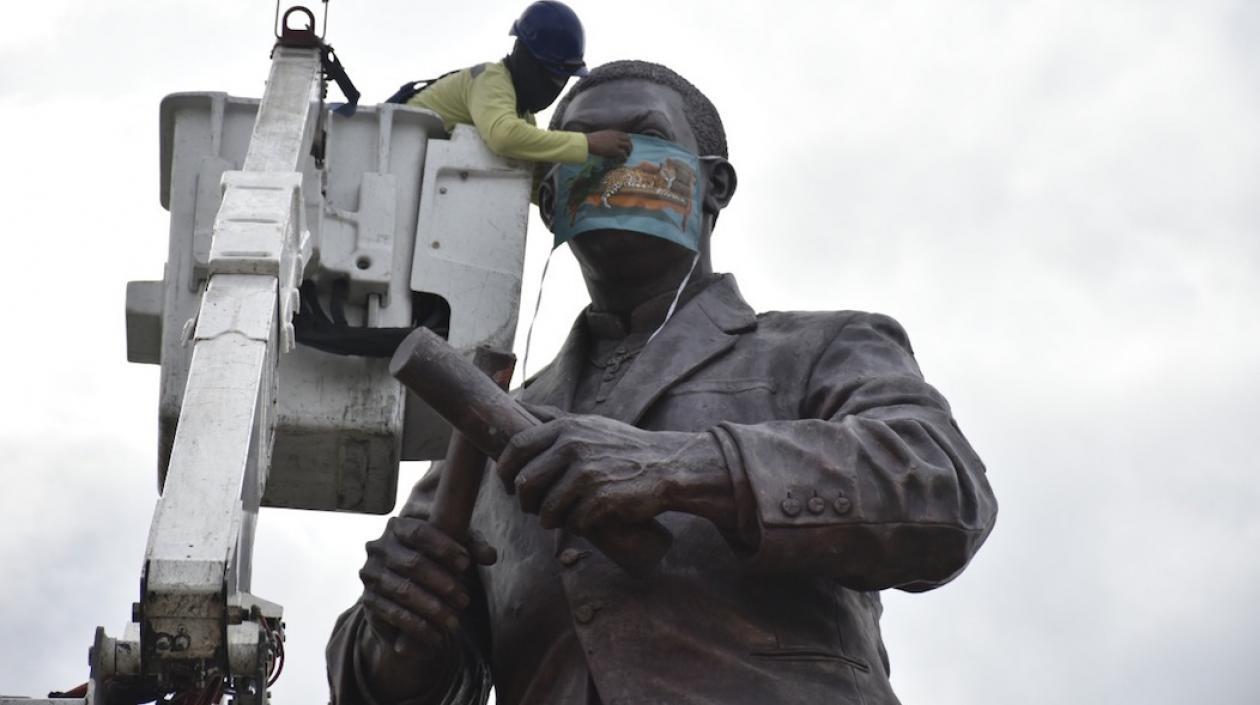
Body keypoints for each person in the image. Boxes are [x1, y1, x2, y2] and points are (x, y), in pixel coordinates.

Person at [329, 60, 999, 705]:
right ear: (547, 199)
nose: (604, 157)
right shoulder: (479, 433)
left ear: (716, 187)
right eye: (575, 148)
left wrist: (684, 467)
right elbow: (381, 681)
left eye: (644, 136)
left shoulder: (817, 348)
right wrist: (399, 630)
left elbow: (943, 491)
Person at [400, 1, 631, 164]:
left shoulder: (522, 116)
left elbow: (532, 177)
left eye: (564, 78)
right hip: (396, 158)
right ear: (530, 62)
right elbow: (504, 137)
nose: (557, 85)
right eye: (554, 75)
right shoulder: (490, 80)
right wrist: (588, 143)